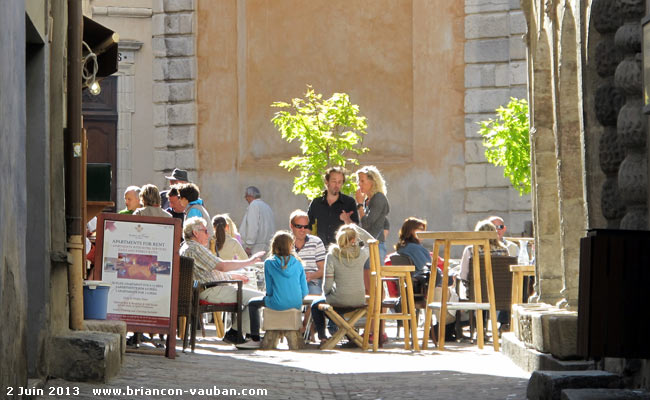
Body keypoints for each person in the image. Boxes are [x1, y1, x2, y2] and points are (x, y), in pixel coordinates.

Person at [179, 217, 265, 344]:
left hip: (208, 288)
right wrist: (250, 261)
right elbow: (222, 266)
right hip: (209, 291)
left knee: (253, 297)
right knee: (259, 298)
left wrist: (233, 277)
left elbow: (209, 272)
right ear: (196, 233)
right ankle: (246, 335)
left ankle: (236, 333)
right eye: (205, 231)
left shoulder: (187, 247)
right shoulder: (195, 248)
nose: (209, 235)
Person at [236, 231, 309, 349]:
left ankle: (254, 338)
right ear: (290, 246)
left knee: (252, 304)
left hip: (277, 302)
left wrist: (270, 297)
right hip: (296, 303)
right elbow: (304, 290)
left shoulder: (269, 263)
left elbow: (269, 290)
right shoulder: (298, 263)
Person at [310, 225, 370, 345]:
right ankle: (351, 336)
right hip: (359, 300)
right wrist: (355, 228)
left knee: (316, 305)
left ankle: (323, 337)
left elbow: (327, 285)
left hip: (338, 299)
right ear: (354, 239)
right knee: (336, 304)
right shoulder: (362, 254)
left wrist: (327, 293)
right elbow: (372, 240)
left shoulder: (331, 256)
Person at [307, 167, 359, 246]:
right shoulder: (316, 203)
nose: (337, 185)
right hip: (319, 250)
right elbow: (308, 227)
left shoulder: (349, 202)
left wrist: (347, 220)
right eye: (334, 181)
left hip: (341, 250)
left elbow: (356, 230)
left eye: (340, 182)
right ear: (326, 182)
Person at [290, 210, 326, 295]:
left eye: (305, 226)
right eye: (299, 226)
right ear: (291, 226)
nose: (303, 230)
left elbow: (323, 270)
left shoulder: (316, 242)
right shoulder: (285, 243)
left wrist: (311, 275)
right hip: (290, 281)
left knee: (314, 296)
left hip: (312, 282)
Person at [395, 217, 430, 293]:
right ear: (410, 230)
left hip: (407, 288)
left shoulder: (402, 248)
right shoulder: (414, 249)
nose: (423, 232)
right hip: (421, 288)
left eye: (423, 230)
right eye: (420, 229)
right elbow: (429, 269)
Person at [239, 186, 275, 256]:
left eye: (246, 196)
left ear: (250, 195)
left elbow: (252, 226)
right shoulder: (267, 207)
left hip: (255, 247)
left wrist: (249, 245)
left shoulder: (254, 205)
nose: (246, 199)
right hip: (267, 246)